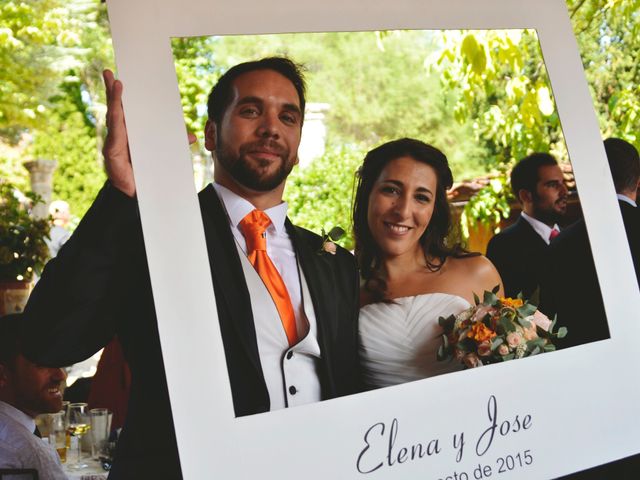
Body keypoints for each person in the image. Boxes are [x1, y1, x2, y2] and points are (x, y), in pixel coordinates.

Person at [22, 57, 360, 479]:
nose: (271, 128)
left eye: (287, 116)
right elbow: (49, 341)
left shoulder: (334, 264)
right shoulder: (155, 233)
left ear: (297, 143)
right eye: (251, 110)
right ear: (211, 133)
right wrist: (122, 196)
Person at [354, 138, 503, 389]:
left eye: (421, 197)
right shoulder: (341, 288)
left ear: (434, 209)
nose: (403, 211)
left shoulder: (478, 273)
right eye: (391, 190)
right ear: (367, 193)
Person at [486, 153, 568, 299]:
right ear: (526, 195)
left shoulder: (573, 238)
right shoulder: (504, 245)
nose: (564, 191)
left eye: (563, 183)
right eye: (553, 185)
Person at [0, 313, 68, 479]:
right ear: (2, 374)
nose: (61, 375)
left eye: (58, 362)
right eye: (43, 364)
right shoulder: (32, 455)